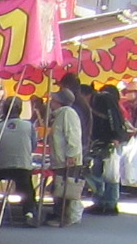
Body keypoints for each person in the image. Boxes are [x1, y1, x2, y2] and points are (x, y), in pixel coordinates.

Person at [0, 88, 42, 224]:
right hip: (21, 166)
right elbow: (33, 146)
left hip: (0, 166)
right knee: (26, 187)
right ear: (20, 110)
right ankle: (29, 213)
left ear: (4, 110)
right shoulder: (28, 126)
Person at [47, 78, 88, 225]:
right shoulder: (60, 114)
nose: (51, 102)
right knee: (61, 188)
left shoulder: (67, 113)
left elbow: (73, 136)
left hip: (66, 159)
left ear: (59, 102)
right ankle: (61, 215)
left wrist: (71, 154)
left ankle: (62, 217)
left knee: (64, 189)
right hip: (62, 158)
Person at [85, 78, 128, 214]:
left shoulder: (104, 99)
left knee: (110, 173)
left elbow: (113, 117)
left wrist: (115, 136)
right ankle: (100, 202)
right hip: (100, 140)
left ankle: (110, 203)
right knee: (99, 171)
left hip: (110, 140)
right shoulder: (96, 100)